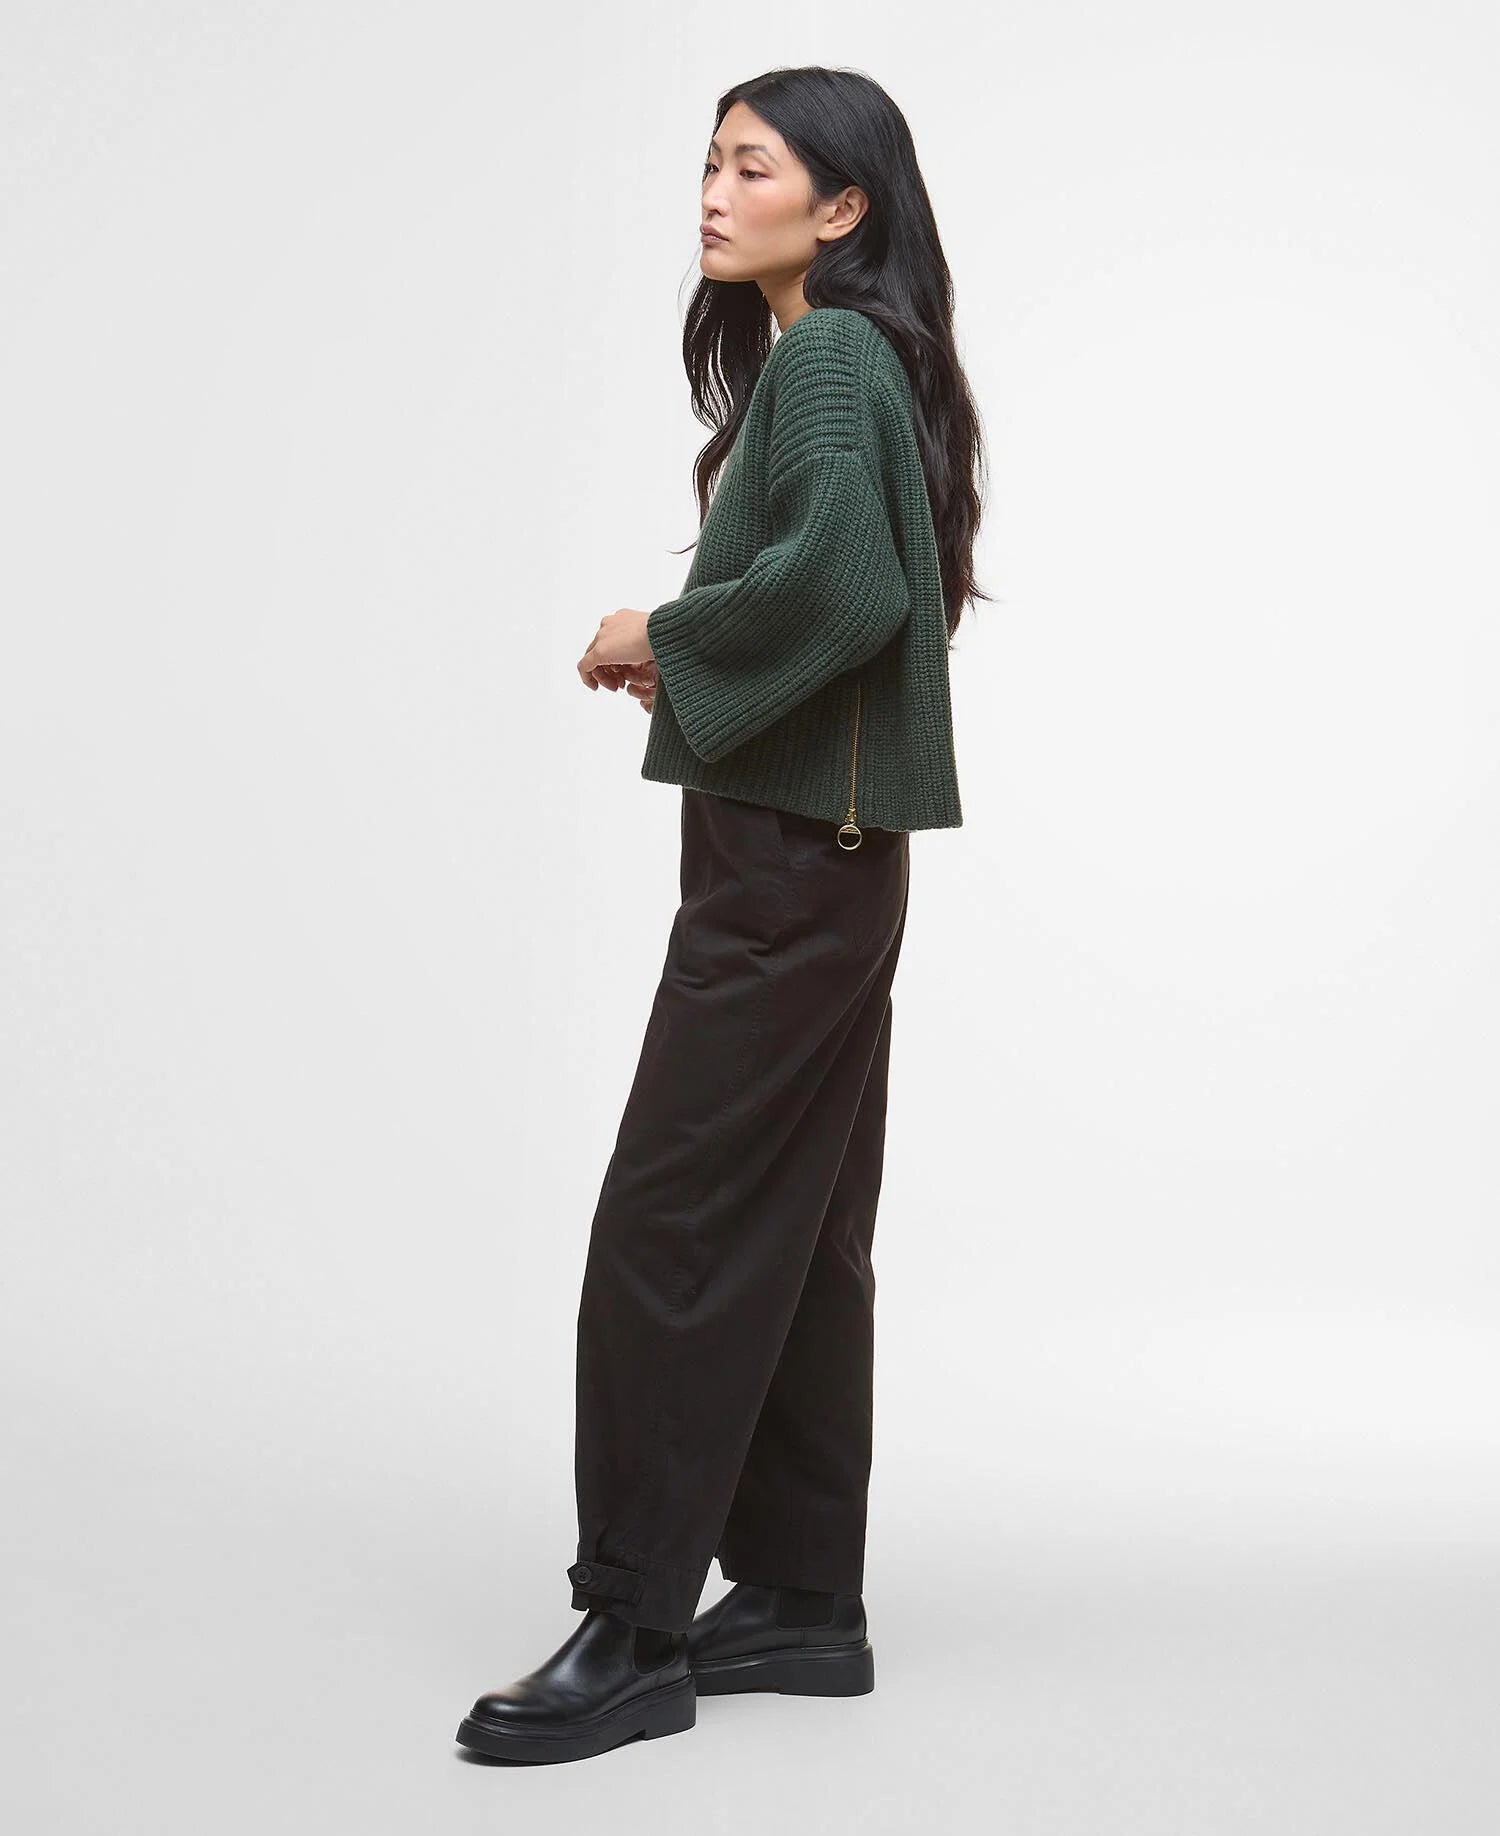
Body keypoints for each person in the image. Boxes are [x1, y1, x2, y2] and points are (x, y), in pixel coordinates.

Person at [455, 63, 986, 1766]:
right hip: (835, 857)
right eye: (709, 162)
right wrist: (705, 656)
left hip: (784, 861)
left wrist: (665, 635)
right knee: (805, 1230)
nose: (712, 191)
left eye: (753, 167)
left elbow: (847, 586)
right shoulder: (858, 357)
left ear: (842, 207)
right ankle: (804, 1601)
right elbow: (852, 589)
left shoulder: (827, 357)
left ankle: (632, 1625)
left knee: (672, 1225)